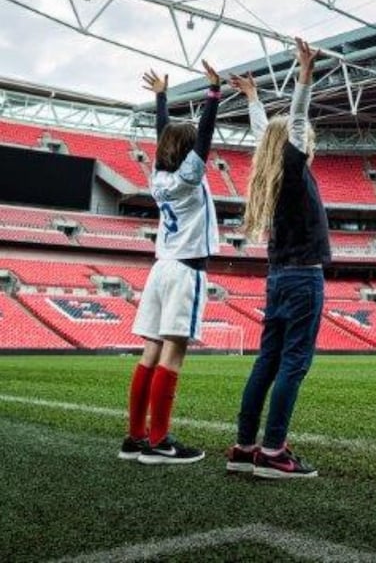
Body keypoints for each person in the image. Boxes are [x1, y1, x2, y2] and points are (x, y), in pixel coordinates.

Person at [226, 37, 330, 479]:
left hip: (277, 278)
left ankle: (245, 446)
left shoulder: (270, 170)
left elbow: (262, 134)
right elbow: (298, 119)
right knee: (292, 363)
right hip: (303, 280)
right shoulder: (291, 167)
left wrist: (253, 98)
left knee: (267, 360)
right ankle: (272, 453)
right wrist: (305, 74)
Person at [119, 59, 222, 465]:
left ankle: (135, 437)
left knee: (151, 350)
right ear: (187, 154)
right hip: (185, 270)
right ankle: (160, 442)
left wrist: (162, 97)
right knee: (173, 353)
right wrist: (213, 94)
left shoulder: (159, 178)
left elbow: (167, 139)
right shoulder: (188, 177)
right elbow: (204, 139)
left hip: (161, 268)